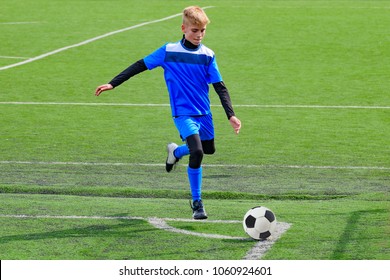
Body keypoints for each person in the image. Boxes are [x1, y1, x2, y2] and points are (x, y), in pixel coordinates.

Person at [95, 6, 241, 219]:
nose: (199, 35)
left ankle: (176, 152)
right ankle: (197, 203)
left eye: (202, 31)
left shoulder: (208, 55)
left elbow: (220, 86)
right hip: (183, 113)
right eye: (194, 30)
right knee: (198, 152)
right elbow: (140, 65)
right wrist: (112, 84)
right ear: (183, 28)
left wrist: (231, 115)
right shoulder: (169, 51)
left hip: (204, 113)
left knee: (207, 149)